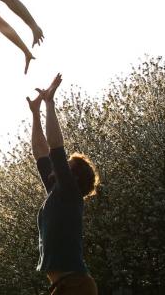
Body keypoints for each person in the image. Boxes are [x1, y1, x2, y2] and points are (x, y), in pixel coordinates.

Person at [26, 74, 100, 295]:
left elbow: (55, 146)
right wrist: (35, 115)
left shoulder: (70, 192)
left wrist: (49, 104)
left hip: (76, 285)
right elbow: (41, 153)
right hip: (63, 286)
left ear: (73, 176)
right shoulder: (57, 193)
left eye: (65, 166)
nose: (58, 167)